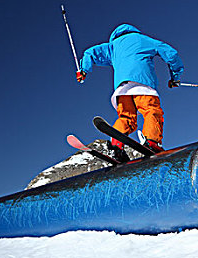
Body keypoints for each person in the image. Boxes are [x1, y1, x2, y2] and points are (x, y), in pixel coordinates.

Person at [77, 24, 184, 162]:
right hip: (143, 85)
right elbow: (171, 53)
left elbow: (90, 53)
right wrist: (175, 77)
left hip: (122, 89)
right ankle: (152, 141)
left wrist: (83, 70)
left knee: (126, 118)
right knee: (151, 111)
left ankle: (116, 144)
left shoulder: (113, 47)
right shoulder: (144, 40)